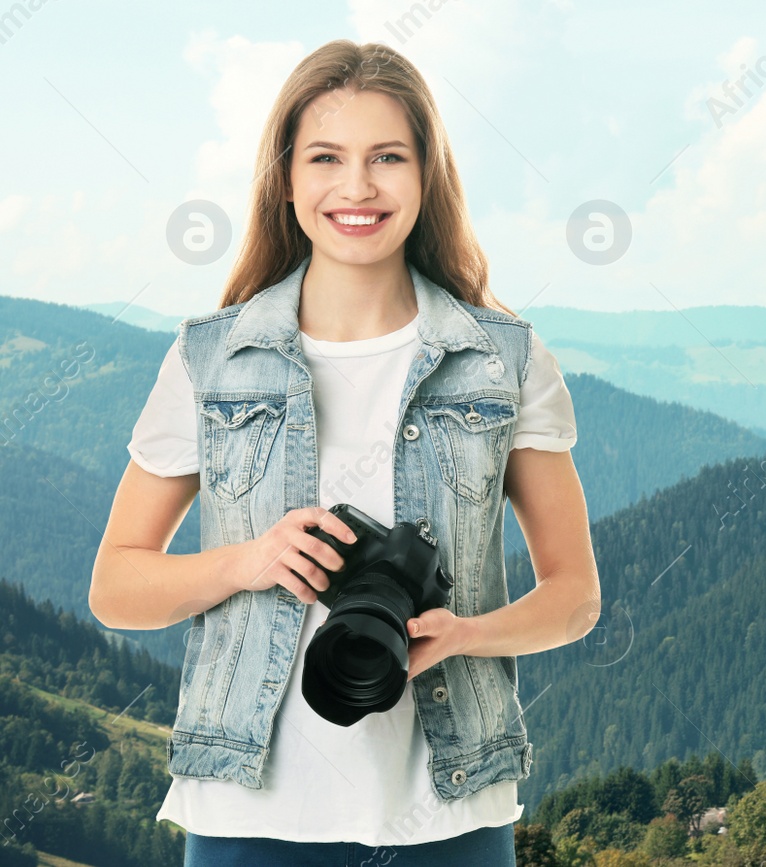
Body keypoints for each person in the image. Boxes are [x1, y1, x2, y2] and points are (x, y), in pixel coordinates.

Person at [88, 39, 601, 867]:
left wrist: (466, 633)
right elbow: (114, 586)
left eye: (387, 157)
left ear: (426, 174)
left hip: (450, 810)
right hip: (247, 810)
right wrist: (249, 562)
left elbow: (575, 595)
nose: (357, 187)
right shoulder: (210, 360)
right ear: (286, 177)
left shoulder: (505, 362)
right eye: (326, 157)